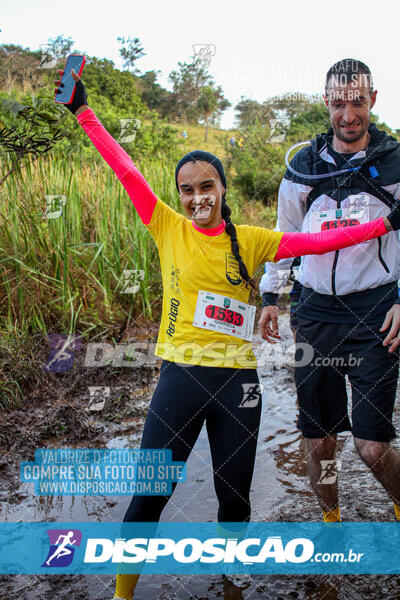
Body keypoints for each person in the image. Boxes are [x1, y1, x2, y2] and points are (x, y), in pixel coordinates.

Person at [55, 67, 400, 600]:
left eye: (207, 187)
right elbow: (123, 168)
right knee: (150, 495)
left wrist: (384, 226)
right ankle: (123, 593)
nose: (197, 199)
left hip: (239, 387)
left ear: (222, 188)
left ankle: (231, 582)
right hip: (180, 378)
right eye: (186, 191)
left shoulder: (255, 240)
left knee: (233, 500)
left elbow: (315, 245)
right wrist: (83, 111)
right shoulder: (165, 226)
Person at [259, 58, 400, 524]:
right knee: (318, 438)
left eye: (357, 101)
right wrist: (269, 297)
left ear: (372, 100)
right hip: (315, 312)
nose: (348, 113)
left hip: (376, 313)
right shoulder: (303, 165)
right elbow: (284, 236)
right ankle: (330, 520)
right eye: (338, 102)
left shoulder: (395, 161)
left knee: (372, 445)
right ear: (326, 103)